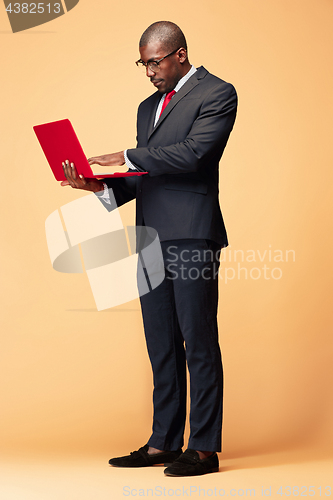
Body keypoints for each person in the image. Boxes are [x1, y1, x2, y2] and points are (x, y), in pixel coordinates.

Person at [62, 21, 237, 477]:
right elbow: (147, 177)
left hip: (193, 233)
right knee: (160, 342)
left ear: (179, 54)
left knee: (197, 341)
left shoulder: (218, 93)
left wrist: (126, 154)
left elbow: (194, 155)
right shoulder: (147, 107)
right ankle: (163, 441)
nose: (148, 72)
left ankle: (202, 448)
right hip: (150, 236)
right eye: (143, 63)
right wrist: (94, 186)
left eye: (154, 62)